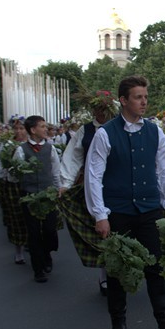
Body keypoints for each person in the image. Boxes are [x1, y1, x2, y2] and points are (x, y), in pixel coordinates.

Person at [85, 75, 165, 329]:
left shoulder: (155, 132)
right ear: (123, 100)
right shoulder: (106, 133)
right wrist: (100, 215)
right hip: (117, 211)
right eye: (138, 97)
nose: (144, 101)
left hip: (149, 208)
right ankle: (118, 320)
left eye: (145, 96)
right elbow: (93, 176)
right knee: (119, 269)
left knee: (158, 268)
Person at [59, 90, 118, 296]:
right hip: (94, 186)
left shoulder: (118, 128)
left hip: (118, 186)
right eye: (97, 109)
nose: (100, 112)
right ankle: (105, 276)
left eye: (103, 108)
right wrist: (66, 182)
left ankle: (123, 270)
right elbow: (73, 156)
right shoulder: (86, 131)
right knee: (101, 231)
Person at [13, 115, 61, 283]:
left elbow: (55, 171)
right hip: (30, 197)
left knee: (49, 230)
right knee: (33, 233)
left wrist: (58, 189)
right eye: (42, 126)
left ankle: (47, 253)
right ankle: (38, 269)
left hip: (48, 196)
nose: (45, 129)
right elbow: (14, 174)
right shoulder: (21, 150)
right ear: (33, 130)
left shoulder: (50, 148)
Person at [0, 117, 29, 265]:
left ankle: (32, 244)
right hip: (13, 184)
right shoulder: (7, 144)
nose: (19, 131)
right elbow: (0, 162)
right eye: (16, 129)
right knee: (16, 218)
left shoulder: (32, 144)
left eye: (22, 128)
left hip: (30, 183)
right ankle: (18, 250)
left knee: (31, 217)